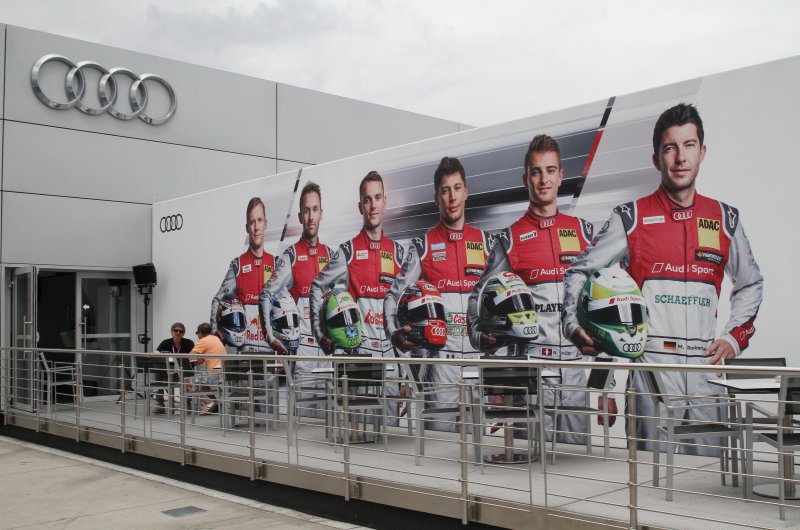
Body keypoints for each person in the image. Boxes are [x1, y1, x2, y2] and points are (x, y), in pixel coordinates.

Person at [562, 103, 763, 454]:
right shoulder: (630, 217)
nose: (680, 157)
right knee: (650, 481)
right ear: (656, 159)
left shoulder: (725, 218)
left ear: (702, 152)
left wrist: (733, 338)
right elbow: (580, 271)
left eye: (689, 146)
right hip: (651, 375)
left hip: (705, 374)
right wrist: (574, 326)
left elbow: (751, 283)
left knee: (707, 479)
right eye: (670, 148)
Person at [467, 134, 595, 444]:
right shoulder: (509, 239)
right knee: (533, 464)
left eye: (550, 171)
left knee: (579, 464)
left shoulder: (583, 232)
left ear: (561, 176)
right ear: (526, 179)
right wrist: (480, 336)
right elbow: (478, 297)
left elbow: (602, 305)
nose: (544, 180)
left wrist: (606, 383)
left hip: (576, 374)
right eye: (536, 172)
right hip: (531, 373)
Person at [384, 156, 491, 431]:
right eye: (445, 190)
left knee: (477, 447)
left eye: (457, 188)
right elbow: (392, 298)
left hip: (478, 365)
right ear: (436, 198)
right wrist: (395, 333)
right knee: (437, 448)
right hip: (439, 365)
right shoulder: (423, 246)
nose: (452, 197)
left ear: (466, 192)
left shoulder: (486, 243)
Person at [309, 171, 403, 421]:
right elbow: (316, 286)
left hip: (391, 361)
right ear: (360, 206)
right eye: (367, 200)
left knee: (392, 431)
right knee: (362, 430)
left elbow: (403, 311)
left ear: (385, 201)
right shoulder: (347, 252)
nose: (373, 205)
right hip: (360, 357)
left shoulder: (398, 252)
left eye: (377, 198)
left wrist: (405, 370)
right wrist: (320, 334)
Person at [260, 182, 333, 374]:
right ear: (300, 216)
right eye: (306, 211)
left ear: (321, 213)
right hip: (302, 352)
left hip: (328, 352)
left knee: (329, 396)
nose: (311, 216)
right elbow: (266, 294)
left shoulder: (331, 255)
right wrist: (269, 336)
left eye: (315, 210)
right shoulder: (290, 256)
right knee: (301, 395)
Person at [210, 197, 275, 352]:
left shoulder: (276, 263)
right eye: (252, 222)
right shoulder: (237, 265)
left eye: (259, 221)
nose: (256, 227)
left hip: (270, 348)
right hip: (244, 348)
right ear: (247, 227)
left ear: (266, 224)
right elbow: (218, 299)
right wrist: (215, 331)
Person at [151, 322, 194, 414]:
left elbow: (193, 356)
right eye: (176, 331)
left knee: (187, 377)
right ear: (171, 332)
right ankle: (160, 403)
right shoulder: (166, 342)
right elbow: (157, 353)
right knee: (158, 373)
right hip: (169, 371)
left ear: (183, 333)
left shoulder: (189, 343)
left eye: (180, 331)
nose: (178, 333)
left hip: (183, 372)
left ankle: (187, 402)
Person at [190, 322, 227, 414]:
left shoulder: (203, 341)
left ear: (200, 333)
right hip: (225, 371)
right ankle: (216, 404)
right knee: (203, 385)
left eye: (197, 333)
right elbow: (207, 356)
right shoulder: (215, 338)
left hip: (215, 372)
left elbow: (190, 357)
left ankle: (210, 404)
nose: (197, 335)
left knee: (192, 385)